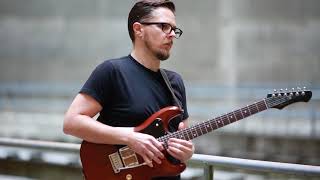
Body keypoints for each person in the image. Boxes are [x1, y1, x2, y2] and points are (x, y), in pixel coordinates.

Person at [63, 0, 194, 179]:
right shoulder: (112, 71)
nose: (171, 34)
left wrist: (186, 151)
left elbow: (182, 138)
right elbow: (72, 123)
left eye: (174, 29)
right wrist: (129, 137)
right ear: (138, 29)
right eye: (164, 26)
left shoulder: (175, 82)